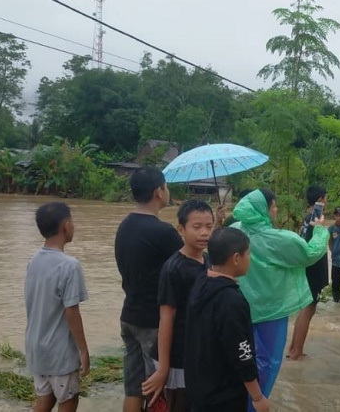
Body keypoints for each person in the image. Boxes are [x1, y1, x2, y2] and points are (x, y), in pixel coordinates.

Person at [231, 189, 328, 402]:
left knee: (239, 359)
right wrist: (320, 231)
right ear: (264, 209)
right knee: (267, 361)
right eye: (274, 206)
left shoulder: (234, 230)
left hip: (236, 308)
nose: (275, 209)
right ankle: (257, 403)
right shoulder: (277, 238)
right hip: (270, 311)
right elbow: (309, 254)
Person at [115, 166, 184, 412]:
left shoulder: (125, 226)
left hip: (129, 316)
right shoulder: (162, 231)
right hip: (154, 323)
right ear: (158, 192)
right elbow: (190, 264)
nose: (167, 191)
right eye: (166, 187)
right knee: (157, 391)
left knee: (134, 388)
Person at [185, 227, 271, 412]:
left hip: (199, 387)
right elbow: (242, 352)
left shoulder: (201, 283)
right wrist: (257, 397)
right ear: (236, 258)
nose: (250, 259)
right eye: (248, 253)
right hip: (223, 395)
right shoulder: (230, 300)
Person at [141, 200, 215, 411]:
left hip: (196, 352)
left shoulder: (208, 261)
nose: (204, 233)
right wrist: (163, 369)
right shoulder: (173, 269)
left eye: (209, 227)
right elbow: (166, 318)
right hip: (175, 357)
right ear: (181, 229)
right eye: (197, 227)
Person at [25, 202, 89, 412]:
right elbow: (71, 311)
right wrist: (83, 350)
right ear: (66, 225)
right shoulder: (69, 265)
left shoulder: (33, 260)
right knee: (68, 401)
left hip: (36, 347)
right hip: (59, 351)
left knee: (45, 399)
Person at [287, 185, 329, 361]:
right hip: (314, 267)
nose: (326, 201)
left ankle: (293, 348)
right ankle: (297, 351)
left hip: (306, 267)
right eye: (325, 198)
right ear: (320, 199)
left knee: (304, 308)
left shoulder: (306, 218)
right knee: (309, 309)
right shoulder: (316, 218)